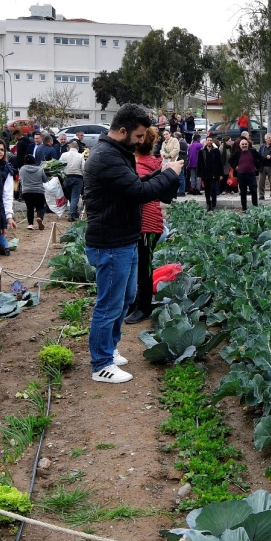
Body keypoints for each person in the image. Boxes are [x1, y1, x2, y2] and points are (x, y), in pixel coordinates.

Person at [84, 103, 182, 383]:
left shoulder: (117, 153)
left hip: (124, 238)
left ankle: (109, 349)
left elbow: (133, 185)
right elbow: (138, 192)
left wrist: (162, 173)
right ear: (123, 131)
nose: (142, 141)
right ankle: (101, 363)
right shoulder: (107, 157)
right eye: (139, 136)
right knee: (110, 303)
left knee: (125, 298)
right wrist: (169, 175)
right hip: (111, 241)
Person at [126, 129, 166, 325]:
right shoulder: (146, 163)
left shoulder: (139, 166)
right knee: (140, 265)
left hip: (146, 224)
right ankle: (137, 303)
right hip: (147, 223)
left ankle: (143, 307)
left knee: (143, 267)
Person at [230, 134, 261, 211]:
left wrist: (257, 167)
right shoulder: (237, 152)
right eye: (243, 144)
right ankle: (244, 208)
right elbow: (230, 160)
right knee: (243, 193)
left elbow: (261, 159)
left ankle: (255, 207)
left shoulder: (253, 151)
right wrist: (235, 167)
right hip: (241, 175)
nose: (244, 145)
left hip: (251, 174)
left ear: (248, 144)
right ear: (240, 145)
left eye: (245, 144)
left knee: (254, 191)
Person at [197, 130, 226, 210]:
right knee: (206, 190)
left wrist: (221, 174)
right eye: (208, 140)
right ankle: (208, 204)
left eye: (210, 140)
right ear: (206, 141)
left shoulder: (216, 151)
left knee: (213, 189)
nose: (209, 142)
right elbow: (199, 163)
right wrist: (199, 174)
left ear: (212, 141)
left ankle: (213, 204)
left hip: (214, 174)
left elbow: (219, 163)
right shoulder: (202, 151)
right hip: (205, 174)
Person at [18, 154, 48, 229]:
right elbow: (45, 180)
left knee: (29, 207)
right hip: (38, 191)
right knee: (40, 207)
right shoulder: (40, 169)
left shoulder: (22, 169)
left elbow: (21, 180)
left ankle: (30, 224)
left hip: (26, 191)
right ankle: (39, 217)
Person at [60, 137, 87, 221]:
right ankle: (71, 214)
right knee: (75, 196)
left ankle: (74, 212)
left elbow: (60, 166)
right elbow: (83, 168)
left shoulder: (64, 155)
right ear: (77, 148)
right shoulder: (80, 156)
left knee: (71, 197)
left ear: (69, 147)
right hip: (77, 178)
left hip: (66, 177)